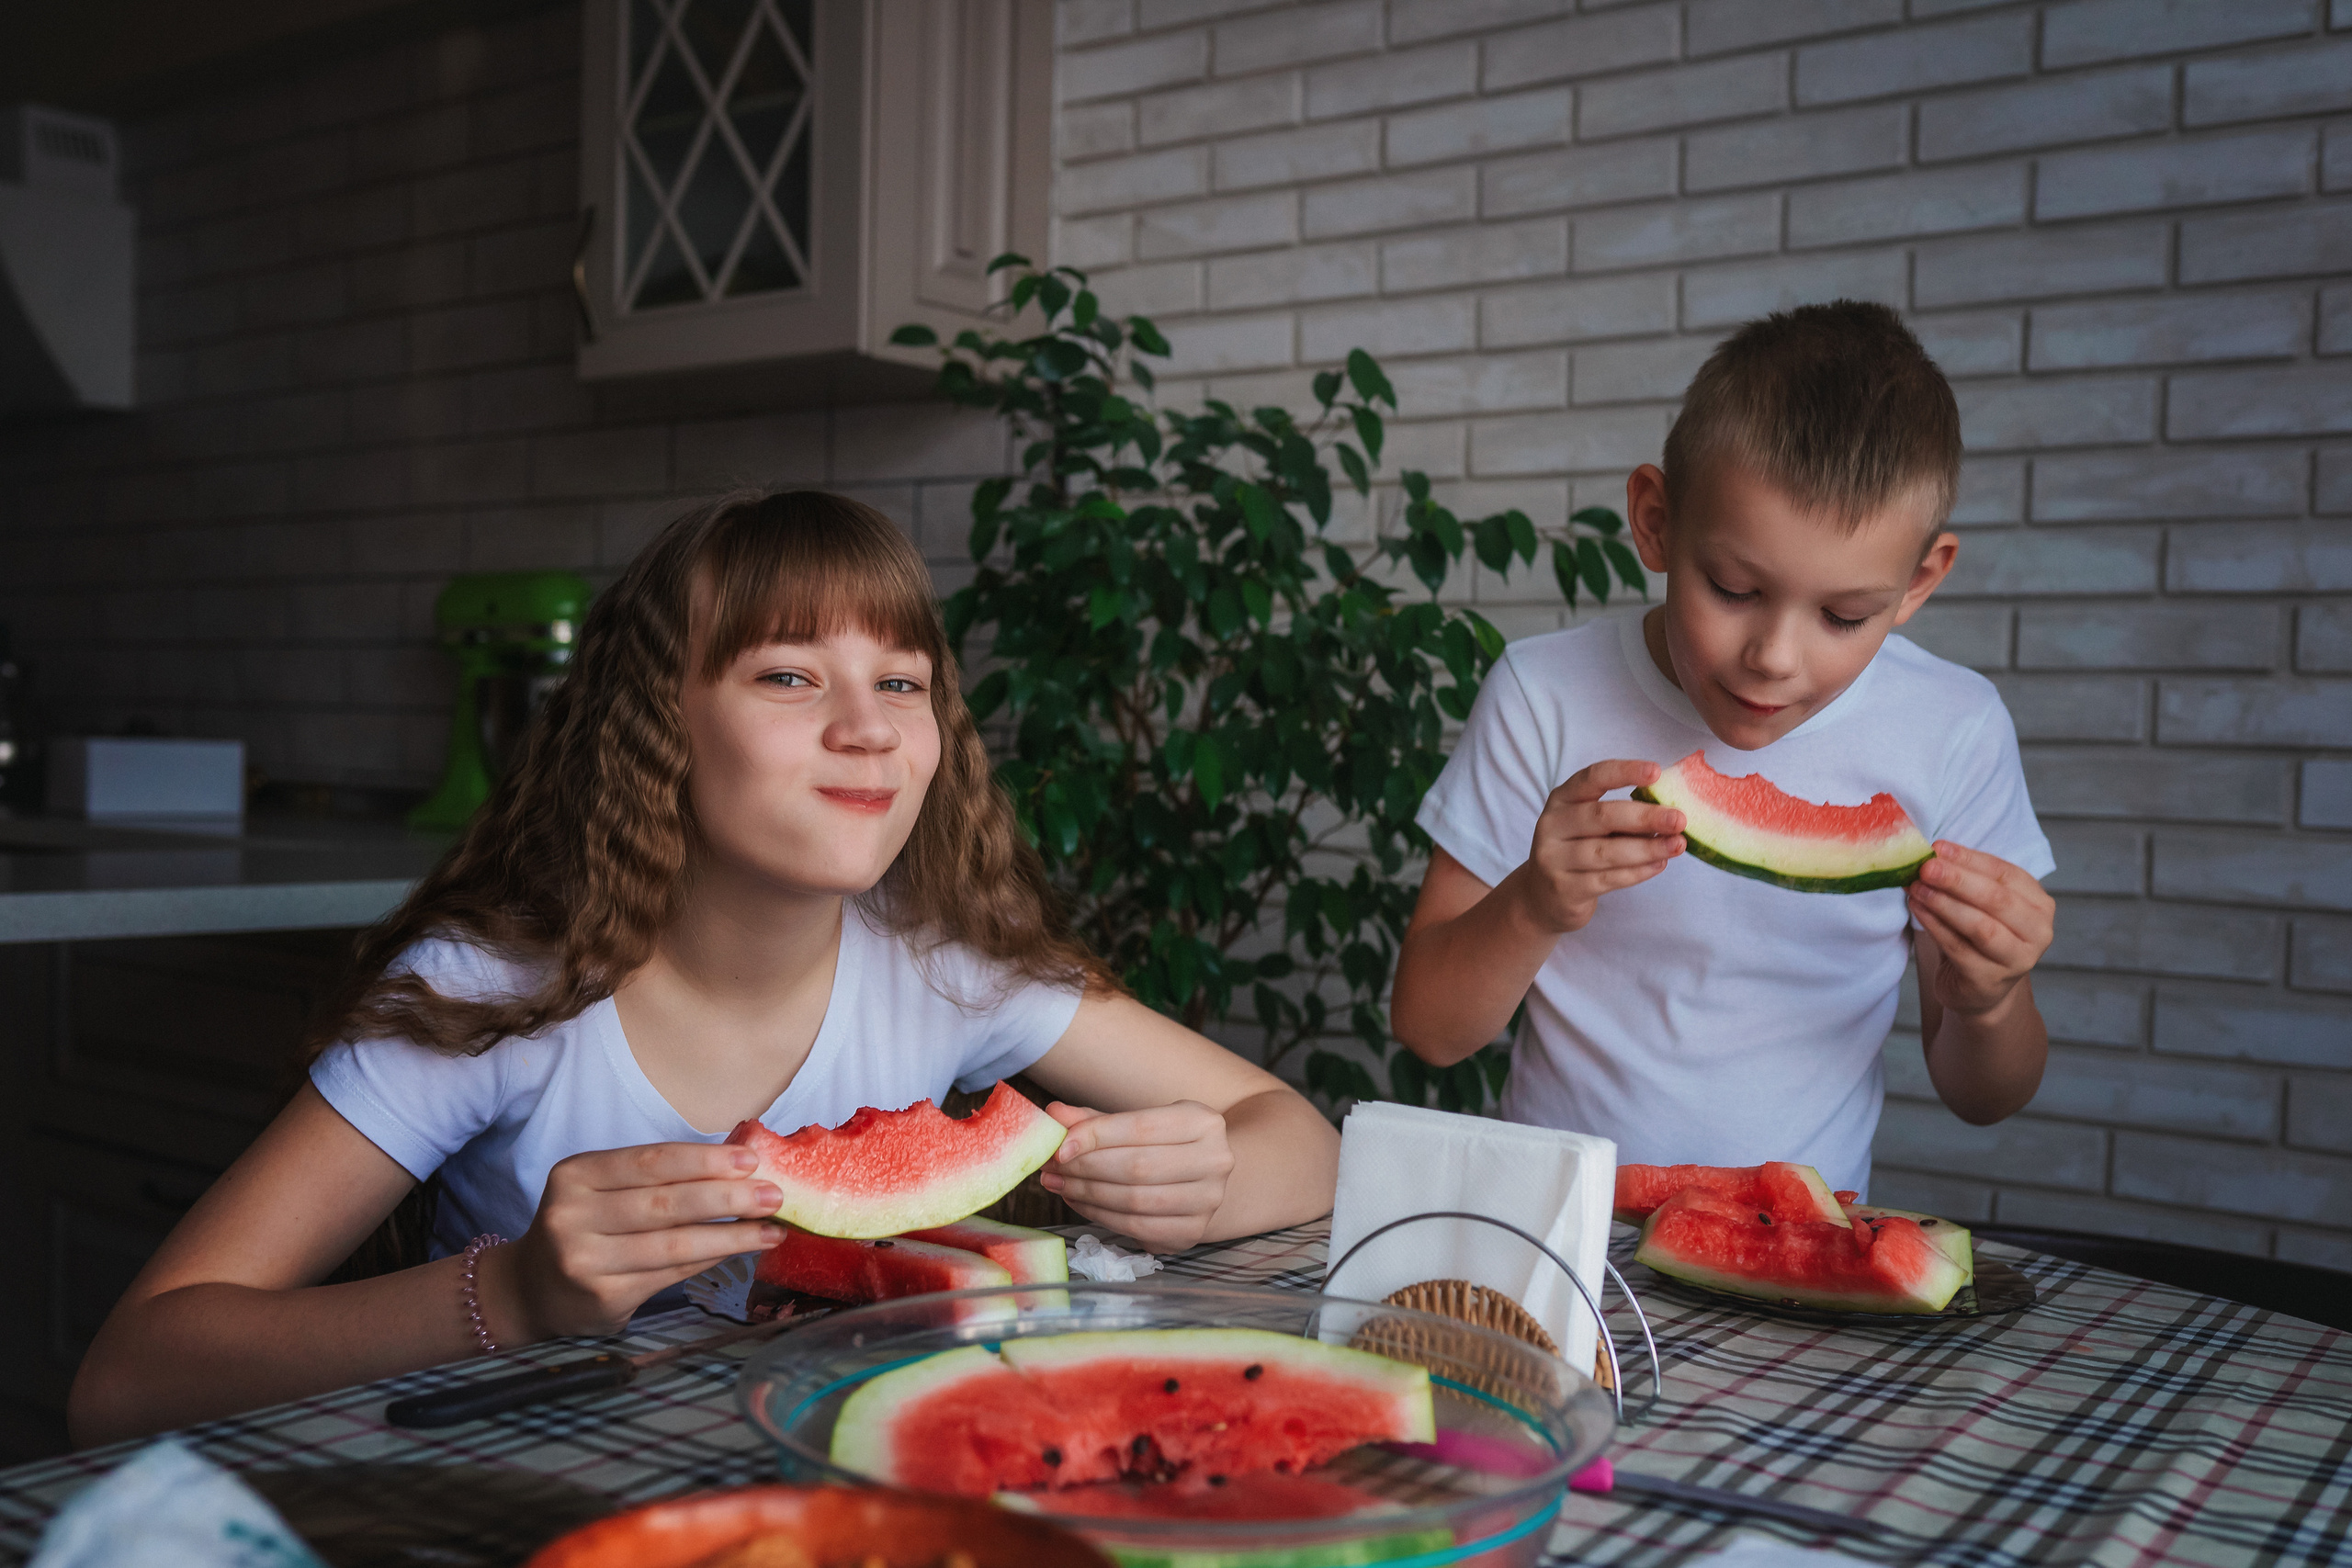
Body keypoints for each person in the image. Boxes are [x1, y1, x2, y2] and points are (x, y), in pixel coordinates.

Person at [70, 491, 1339, 1445]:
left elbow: (1305, 1139)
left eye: (903, 680)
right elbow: (127, 1373)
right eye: (788, 673)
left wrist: (1195, 1181)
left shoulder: (942, 963)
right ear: (658, 722)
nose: (867, 724)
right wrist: (514, 1289)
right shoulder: (496, 989)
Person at [1389, 301, 2055, 1197]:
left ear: (1920, 581)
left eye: (1842, 616)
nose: (1774, 658)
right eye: (1734, 588)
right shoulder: (1543, 692)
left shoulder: (1954, 727)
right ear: (1657, 521)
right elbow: (1428, 1028)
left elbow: (1986, 1096)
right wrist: (1534, 904)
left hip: (1798, 1250)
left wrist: (1991, 1000)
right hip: (1563, 1234)